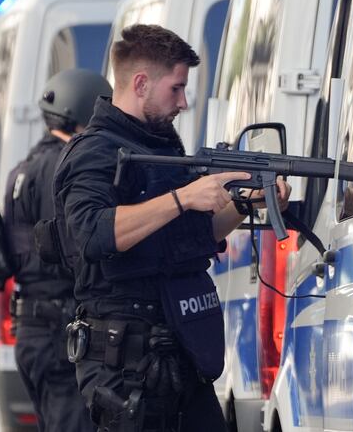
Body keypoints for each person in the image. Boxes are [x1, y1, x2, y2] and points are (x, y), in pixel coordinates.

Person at [53, 24, 290, 432]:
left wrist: (242, 203)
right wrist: (183, 198)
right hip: (125, 366)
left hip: (179, 351)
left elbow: (190, 239)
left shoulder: (160, 145)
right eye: (175, 88)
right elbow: (90, 232)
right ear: (141, 83)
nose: (183, 102)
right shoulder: (96, 151)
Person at [3, 68, 112, 432]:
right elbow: (75, 246)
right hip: (59, 331)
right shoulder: (64, 167)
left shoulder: (21, 170)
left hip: (31, 331)